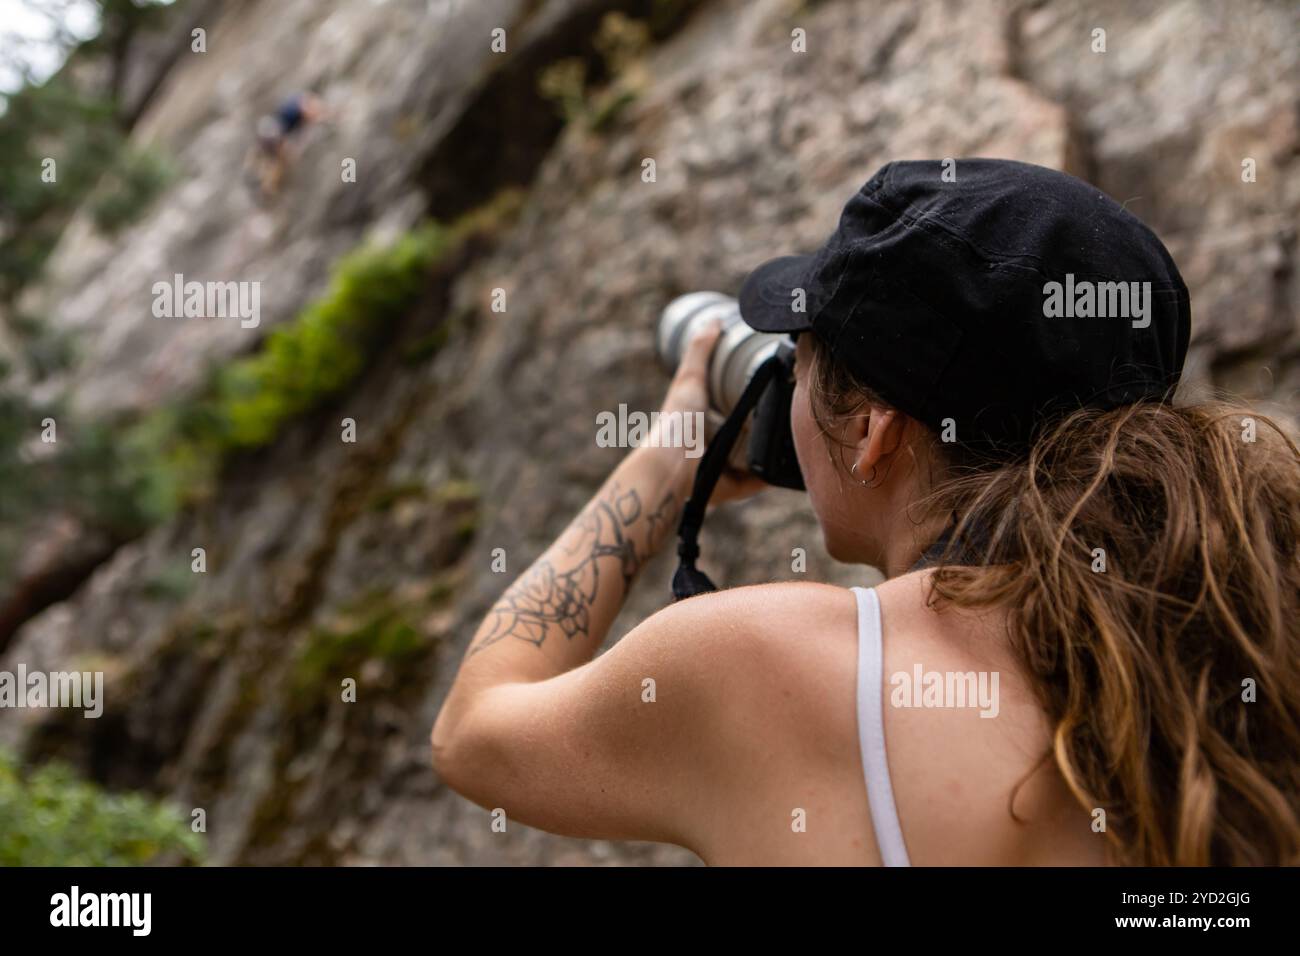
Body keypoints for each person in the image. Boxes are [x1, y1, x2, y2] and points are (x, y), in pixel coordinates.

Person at [431, 159, 1300, 865]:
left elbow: (476, 730)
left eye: (801, 365)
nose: (790, 391)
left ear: (874, 430)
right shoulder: (1246, 646)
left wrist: (666, 462)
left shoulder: (767, 668)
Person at [250, 91, 327, 198]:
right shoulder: (300, 106)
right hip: (273, 132)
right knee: (280, 161)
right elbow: (309, 114)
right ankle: (267, 186)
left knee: (269, 156)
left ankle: (258, 173)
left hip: (268, 128)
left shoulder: (294, 101)